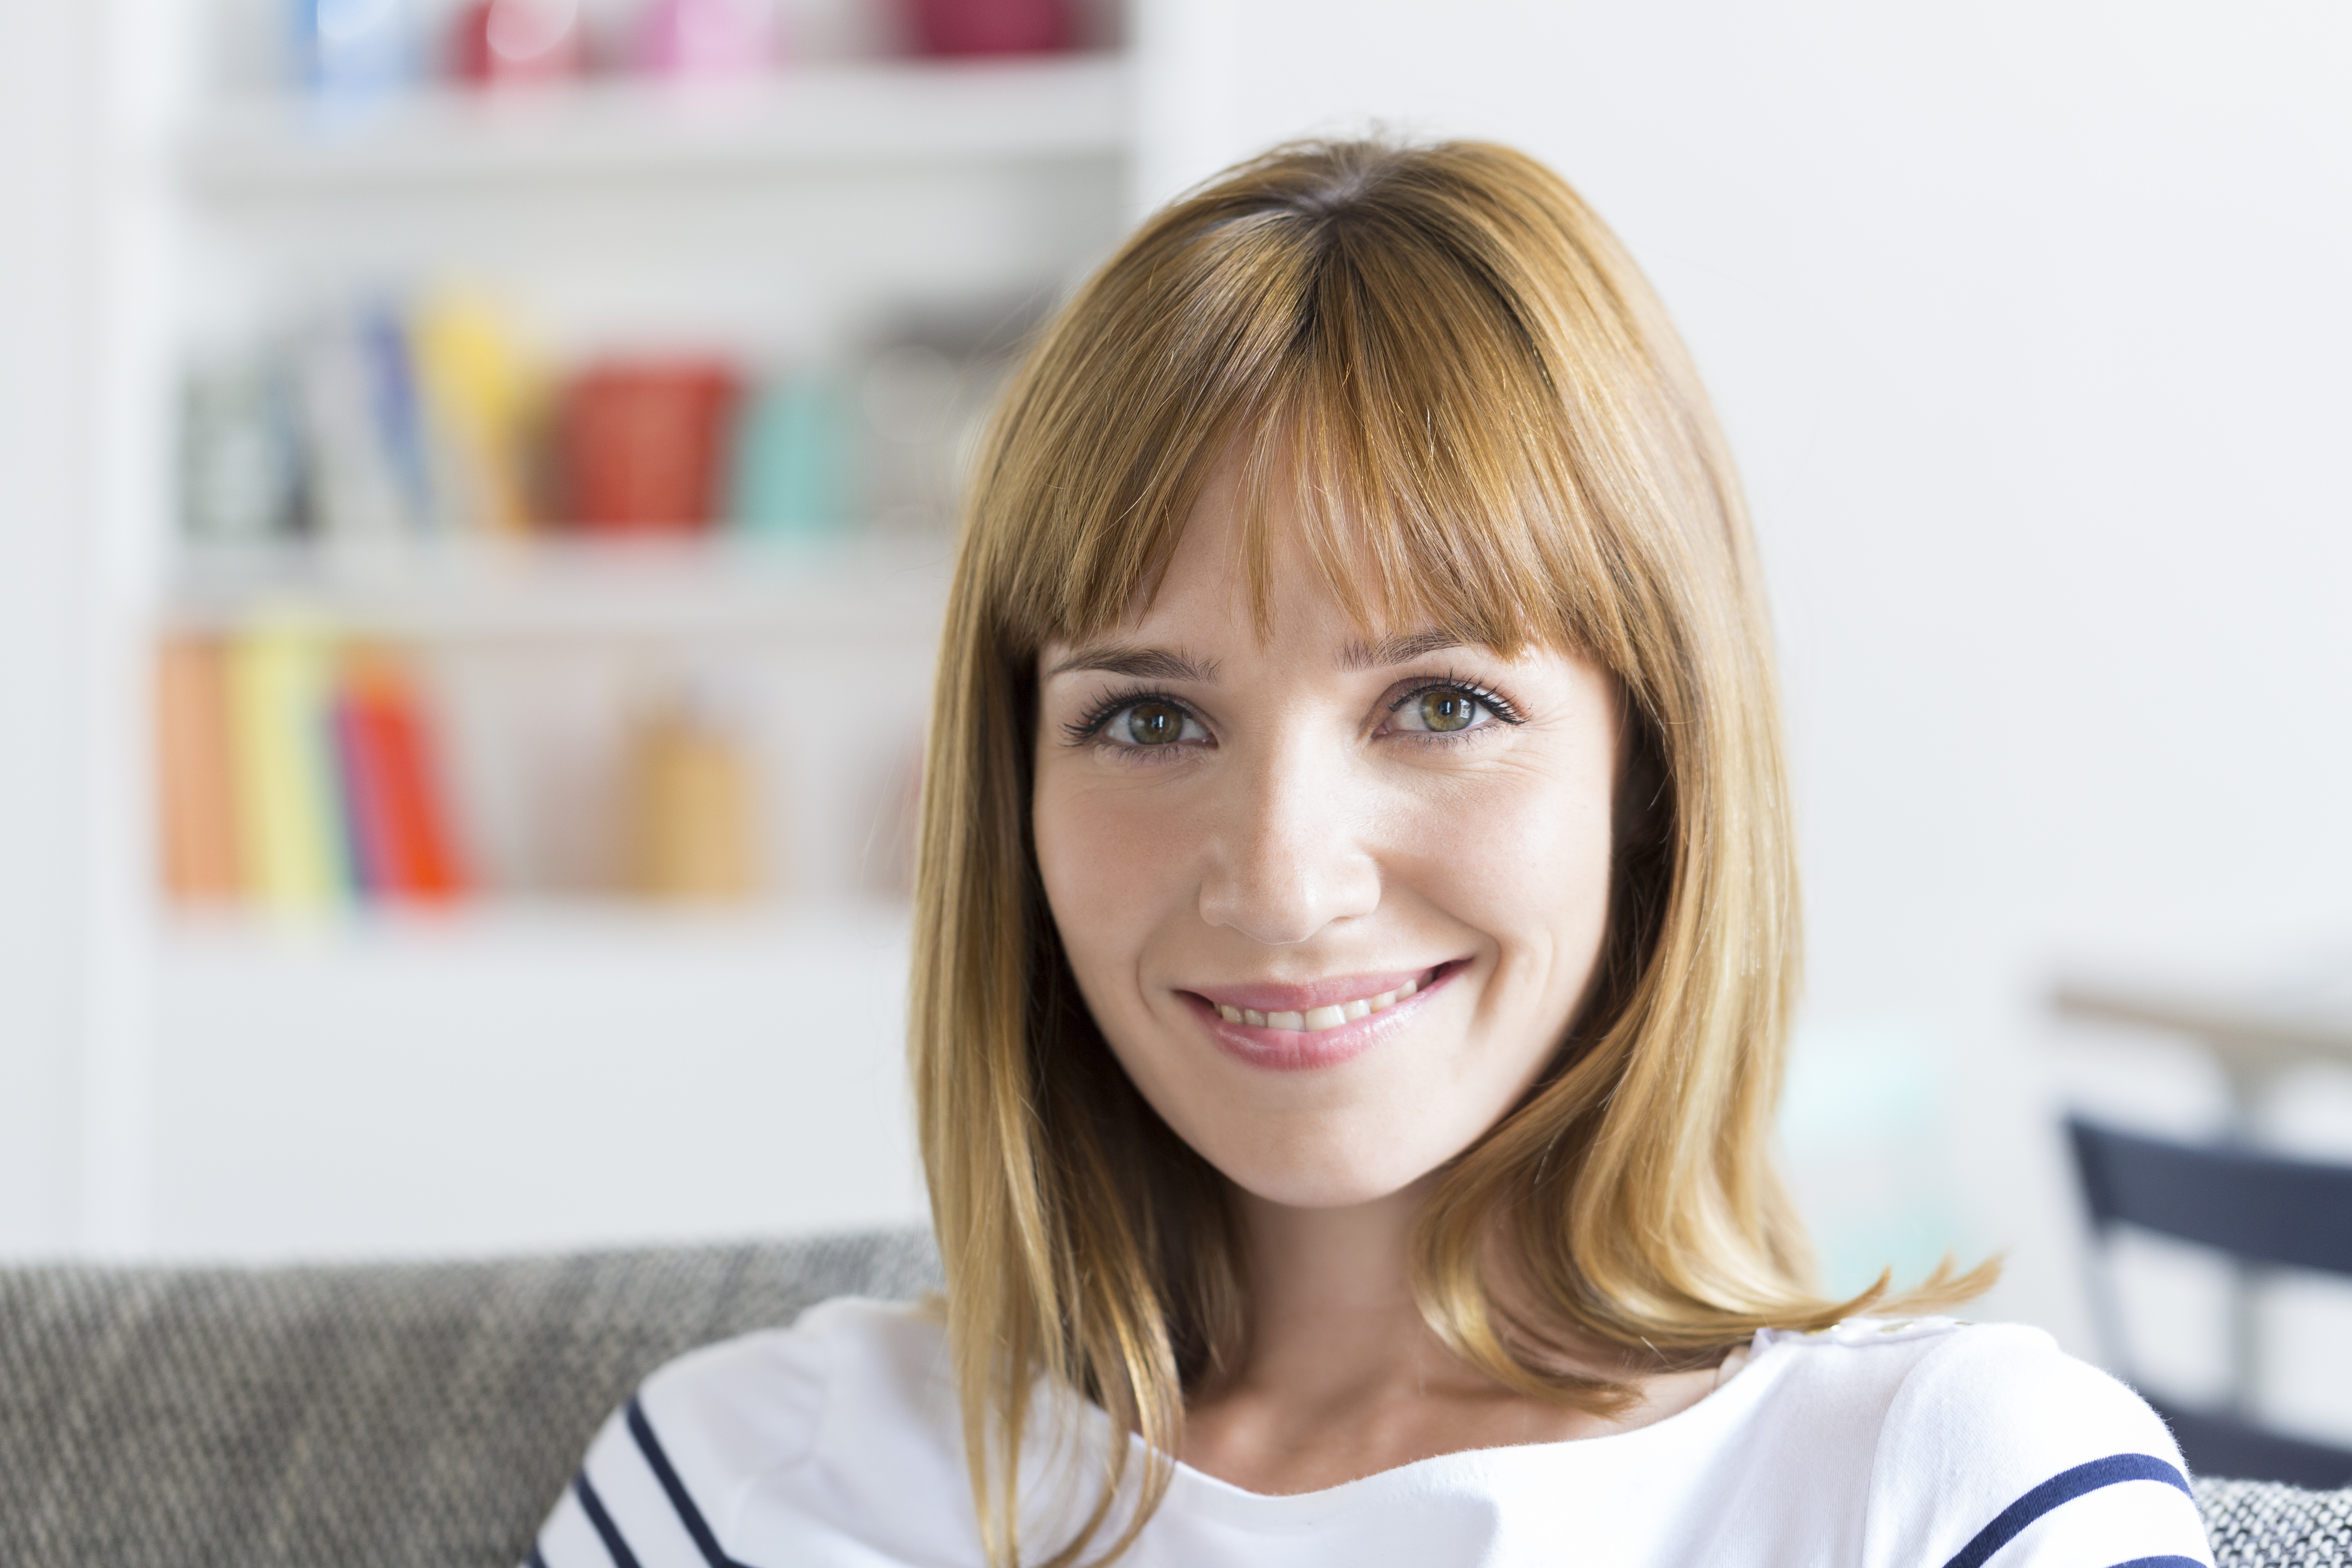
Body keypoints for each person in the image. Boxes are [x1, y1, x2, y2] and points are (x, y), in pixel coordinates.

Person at [526, 140, 2211, 1568]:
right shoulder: (745, 1489)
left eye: (1440, 704)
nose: (1281, 878)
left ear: (1651, 770)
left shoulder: (1962, 1502)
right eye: (1149, 721)